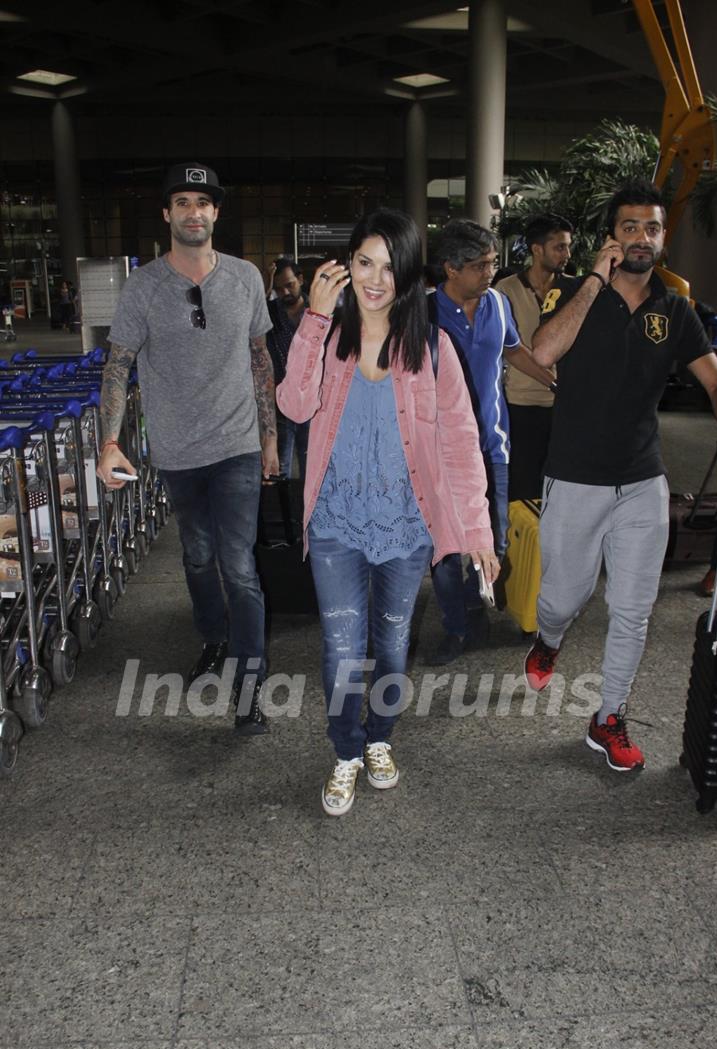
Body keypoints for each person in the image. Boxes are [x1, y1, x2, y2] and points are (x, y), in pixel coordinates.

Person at [277, 207, 499, 816]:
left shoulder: (432, 347)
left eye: (389, 267)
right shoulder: (325, 335)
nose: (375, 279)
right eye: (363, 263)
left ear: (408, 275)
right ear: (346, 266)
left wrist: (477, 530)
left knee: (394, 647)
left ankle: (380, 738)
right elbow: (294, 405)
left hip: (405, 525)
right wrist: (315, 319)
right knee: (343, 648)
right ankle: (347, 750)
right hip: (336, 521)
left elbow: (459, 442)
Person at [525, 179, 717, 771]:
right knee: (565, 595)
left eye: (652, 228)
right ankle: (550, 639)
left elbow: (713, 377)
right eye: (630, 226)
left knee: (634, 607)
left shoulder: (676, 308)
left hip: (642, 481)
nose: (642, 237)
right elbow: (542, 353)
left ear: (664, 238)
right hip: (576, 477)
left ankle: (607, 716)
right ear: (612, 236)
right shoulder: (574, 293)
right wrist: (593, 282)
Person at [96, 161, 278, 733]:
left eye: (203, 202)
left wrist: (270, 437)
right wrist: (108, 442)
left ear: (216, 213)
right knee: (198, 558)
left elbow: (259, 359)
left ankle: (248, 688)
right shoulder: (144, 287)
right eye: (182, 202)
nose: (193, 212)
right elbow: (118, 365)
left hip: (237, 445)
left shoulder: (246, 277)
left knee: (240, 567)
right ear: (167, 213)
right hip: (176, 451)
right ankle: (215, 639)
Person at [425, 219, 554, 664]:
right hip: (439, 454)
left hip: (493, 448)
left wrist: (556, 384)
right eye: (480, 266)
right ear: (451, 268)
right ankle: (458, 627)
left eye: (494, 263)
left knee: (495, 543)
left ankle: (471, 606)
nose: (490, 273)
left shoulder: (498, 303)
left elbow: (515, 351)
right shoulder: (423, 312)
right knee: (443, 552)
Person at [496, 214, 573, 500]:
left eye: (568, 247)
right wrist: (554, 382)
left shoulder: (575, 289)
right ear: (536, 249)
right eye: (559, 247)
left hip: (564, 407)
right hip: (521, 403)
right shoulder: (506, 289)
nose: (567, 254)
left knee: (562, 484)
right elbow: (510, 347)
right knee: (523, 484)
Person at [267, 258, 310, 481]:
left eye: (290, 285)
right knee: (279, 467)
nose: (285, 292)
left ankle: (307, 515)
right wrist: (267, 286)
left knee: (310, 467)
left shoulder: (317, 311)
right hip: (280, 401)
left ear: (300, 280)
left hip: (312, 401)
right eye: (279, 288)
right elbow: (252, 319)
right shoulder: (271, 312)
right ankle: (285, 514)